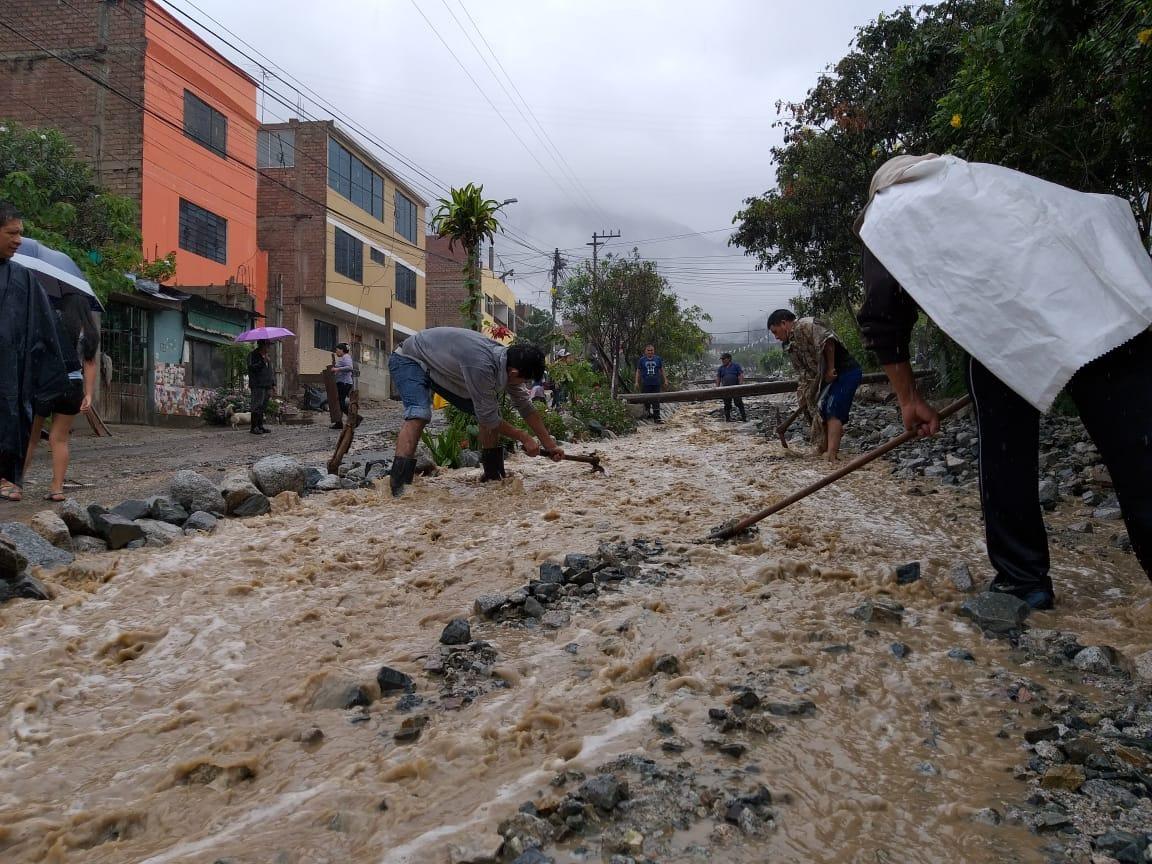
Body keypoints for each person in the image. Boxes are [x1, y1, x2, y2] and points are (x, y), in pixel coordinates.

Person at [855, 153, 1152, 609]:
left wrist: (909, 399)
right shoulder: (986, 182)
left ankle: (1023, 580)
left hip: (1013, 330)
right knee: (1140, 458)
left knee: (1005, 456)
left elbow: (883, 314)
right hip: (1107, 313)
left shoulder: (888, 212)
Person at [386, 327, 564, 496]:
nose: (524, 384)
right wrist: (523, 436)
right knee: (419, 414)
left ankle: (492, 477)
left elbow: (525, 407)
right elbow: (488, 418)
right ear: (514, 372)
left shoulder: (508, 363)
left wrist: (550, 446)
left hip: (438, 369)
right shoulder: (482, 365)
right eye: (524, 380)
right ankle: (398, 487)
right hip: (409, 359)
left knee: (490, 413)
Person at [0, 202, 69, 501]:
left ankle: (4, 477)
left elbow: (44, 329)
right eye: (12, 233)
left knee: (9, 417)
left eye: (20, 234)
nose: (18, 240)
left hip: (9, 372)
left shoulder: (22, 278)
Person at [23, 293, 100, 501]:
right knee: (60, 439)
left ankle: (16, 485)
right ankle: (57, 489)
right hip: (73, 386)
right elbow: (90, 364)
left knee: (31, 437)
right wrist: (89, 395)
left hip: (47, 383)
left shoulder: (54, 322)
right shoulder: (89, 332)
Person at [767, 309, 862, 461]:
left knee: (833, 408)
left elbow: (828, 341)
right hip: (822, 377)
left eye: (775, 331)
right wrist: (805, 394)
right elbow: (803, 370)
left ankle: (831, 454)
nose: (776, 337)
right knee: (819, 411)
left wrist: (831, 368)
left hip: (844, 371)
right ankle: (822, 448)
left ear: (784, 323)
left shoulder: (807, 325)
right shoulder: (789, 344)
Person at [247, 340, 275, 435]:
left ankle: (260, 426)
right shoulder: (253, 355)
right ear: (262, 345)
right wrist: (263, 361)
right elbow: (252, 368)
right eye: (267, 345)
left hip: (266, 385)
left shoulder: (267, 357)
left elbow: (270, 372)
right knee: (257, 406)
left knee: (263, 406)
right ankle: (254, 427)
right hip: (257, 385)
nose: (269, 348)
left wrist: (272, 385)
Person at [634, 344, 667, 423]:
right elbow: (638, 371)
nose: (650, 352)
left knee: (656, 400)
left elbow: (662, 370)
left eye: (651, 350)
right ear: (645, 351)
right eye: (648, 350)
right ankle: (647, 414)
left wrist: (665, 380)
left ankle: (657, 417)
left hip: (656, 383)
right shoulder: (642, 360)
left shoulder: (657, 359)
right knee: (646, 400)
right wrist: (636, 382)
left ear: (654, 351)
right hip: (645, 383)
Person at [329, 342, 356, 430]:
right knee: (338, 403)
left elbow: (350, 367)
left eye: (337, 350)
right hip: (341, 382)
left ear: (341, 350)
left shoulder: (346, 357)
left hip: (344, 383)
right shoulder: (343, 358)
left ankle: (354, 418)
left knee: (340, 403)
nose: (336, 352)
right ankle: (339, 423)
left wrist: (337, 369)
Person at [715, 352, 747, 422]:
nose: (722, 360)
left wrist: (740, 386)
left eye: (724, 359)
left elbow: (740, 375)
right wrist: (717, 388)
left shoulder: (736, 366)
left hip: (736, 388)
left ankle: (744, 418)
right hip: (725, 389)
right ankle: (727, 419)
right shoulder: (721, 368)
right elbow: (718, 378)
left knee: (738, 403)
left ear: (729, 359)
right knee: (727, 404)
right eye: (722, 359)